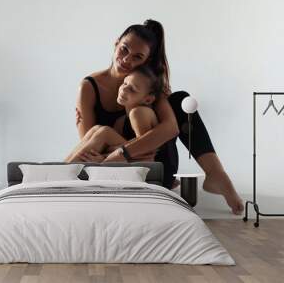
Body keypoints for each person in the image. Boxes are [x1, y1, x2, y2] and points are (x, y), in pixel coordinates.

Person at [73, 19, 244, 215]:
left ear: (146, 60)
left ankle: (216, 174)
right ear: (116, 42)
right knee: (101, 133)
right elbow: (89, 144)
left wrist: (125, 152)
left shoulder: (147, 83)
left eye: (137, 57)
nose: (127, 60)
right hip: (111, 164)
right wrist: (131, 149)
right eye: (124, 49)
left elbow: (170, 128)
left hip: (152, 162)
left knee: (180, 100)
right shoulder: (89, 86)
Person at [65, 66, 161, 163]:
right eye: (125, 83)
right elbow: (114, 149)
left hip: (150, 168)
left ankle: (65, 171)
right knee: (96, 129)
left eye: (132, 89)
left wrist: (104, 159)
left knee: (105, 132)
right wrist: (105, 157)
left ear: (148, 99)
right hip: (129, 160)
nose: (124, 89)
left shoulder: (139, 113)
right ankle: (64, 167)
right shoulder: (121, 121)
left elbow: (145, 153)